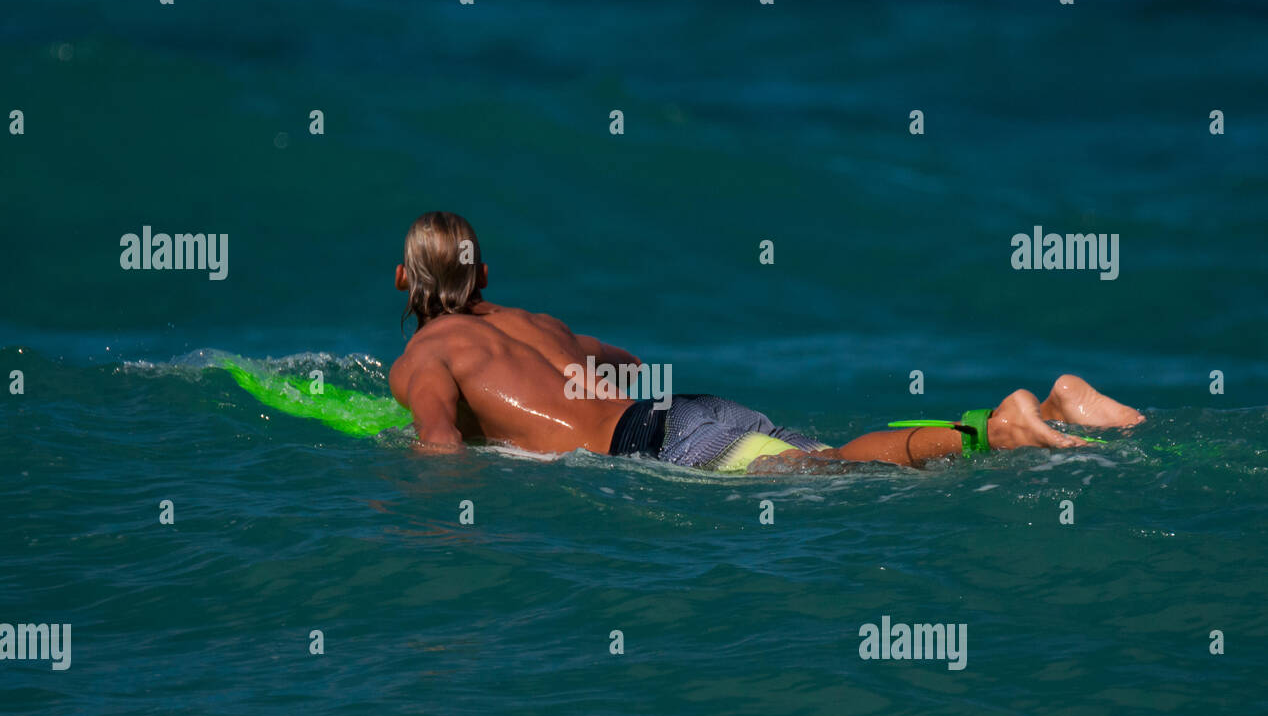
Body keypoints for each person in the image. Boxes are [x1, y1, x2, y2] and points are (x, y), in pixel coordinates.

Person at [388, 212, 1143, 472]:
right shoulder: (536, 323)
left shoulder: (423, 357)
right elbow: (631, 366)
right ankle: (1051, 408)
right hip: (687, 411)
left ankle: (999, 428)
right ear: (483, 273)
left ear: (401, 279)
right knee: (833, 455)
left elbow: (441, 448)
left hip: (654, 449)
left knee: (841, 469)